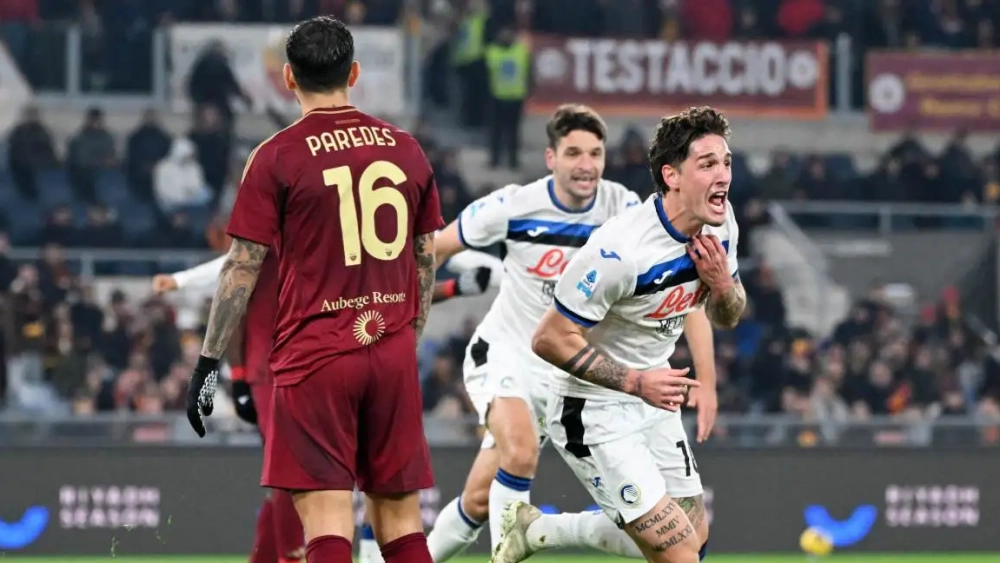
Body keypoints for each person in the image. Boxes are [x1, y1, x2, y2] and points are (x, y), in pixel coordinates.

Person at [183, 17, 444, 563]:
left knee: (326, 521)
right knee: (400, 520)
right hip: (390, 351)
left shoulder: (276, 156)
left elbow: (241, 268)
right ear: (353, 72)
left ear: (287, 79)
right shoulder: (406, 150)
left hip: (316, 356)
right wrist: (407, 341)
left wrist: (209, 364)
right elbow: (424, 259)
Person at [494, 106, 745, 563]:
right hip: (593, 409)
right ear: (672, 175)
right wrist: (634, 382)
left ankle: (538, 531)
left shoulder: (721, 225)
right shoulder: (621, 251)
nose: (723, 175)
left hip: (653, 397)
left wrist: (723, 284)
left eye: (726, 161)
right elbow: (548, 338)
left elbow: (727, 316)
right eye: (707, 164)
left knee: (695, 541)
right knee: (681, 555)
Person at [154, 249, 498, 563]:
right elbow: (236, 267)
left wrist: (452, 288)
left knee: (300, 481)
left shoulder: (320, 223)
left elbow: (390, 294)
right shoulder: (291, 214)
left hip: (319, 363)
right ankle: (294, 557)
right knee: (304, 481)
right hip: (276, 368)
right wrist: (240, 374)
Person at [427, 104, 658, 560]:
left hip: (563, 372)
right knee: (521, 454)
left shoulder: (623, 209)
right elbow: (434, 247)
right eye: (574, 153)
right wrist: (415, 304)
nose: (586, 165)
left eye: (595, 153)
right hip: (505, 355)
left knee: (477, 501)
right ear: (551, 158)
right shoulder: (513, 205)